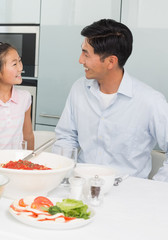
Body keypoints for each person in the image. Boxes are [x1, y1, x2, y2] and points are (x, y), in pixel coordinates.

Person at [54, 18, 168, 181]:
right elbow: (66, 137)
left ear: (110, 62)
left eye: (86, 54)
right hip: (80, 186)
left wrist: (156, 188)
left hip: (127, 194)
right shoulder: (79, 89)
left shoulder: (150, 101)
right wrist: (63, 175)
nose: (80, 60)